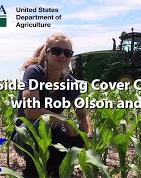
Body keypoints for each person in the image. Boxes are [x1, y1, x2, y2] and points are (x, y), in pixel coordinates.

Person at [12, 33, 93, 177]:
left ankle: (57, 169)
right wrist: (64, 120)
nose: (62, 56)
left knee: (88, 134)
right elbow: (31, 111)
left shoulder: (70, 82)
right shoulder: (35, 72)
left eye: (67, 53)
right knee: (37, 127)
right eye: (56, 51)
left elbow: (83, 114)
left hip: (55, 133)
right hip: (27, 134)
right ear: (46, 53)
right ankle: (33, 172)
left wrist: (88, 135)